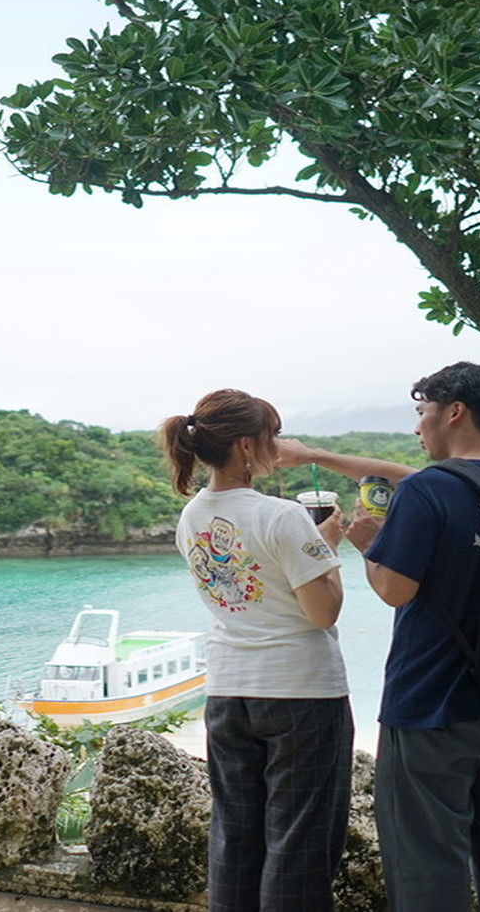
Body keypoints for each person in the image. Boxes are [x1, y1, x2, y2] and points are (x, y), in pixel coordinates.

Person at [277, 362, 480, 912]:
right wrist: (314, 455)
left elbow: (393, 590)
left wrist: (368, 543)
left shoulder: (428, 491)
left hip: (434, 703)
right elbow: (411, 476)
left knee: (426, 856)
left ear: (452, 411)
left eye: (421, 411)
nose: (416, 427)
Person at [159, 388, 353, 912]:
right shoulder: (282, 516)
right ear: (247, 445)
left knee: (236, 835)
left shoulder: (192, 517)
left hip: (228, 690)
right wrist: (326, 552)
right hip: (301, 692)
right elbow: (322, 612)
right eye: (272, 435)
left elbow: (256, 587)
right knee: (300, 841)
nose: (279, 445)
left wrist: (318, 548)